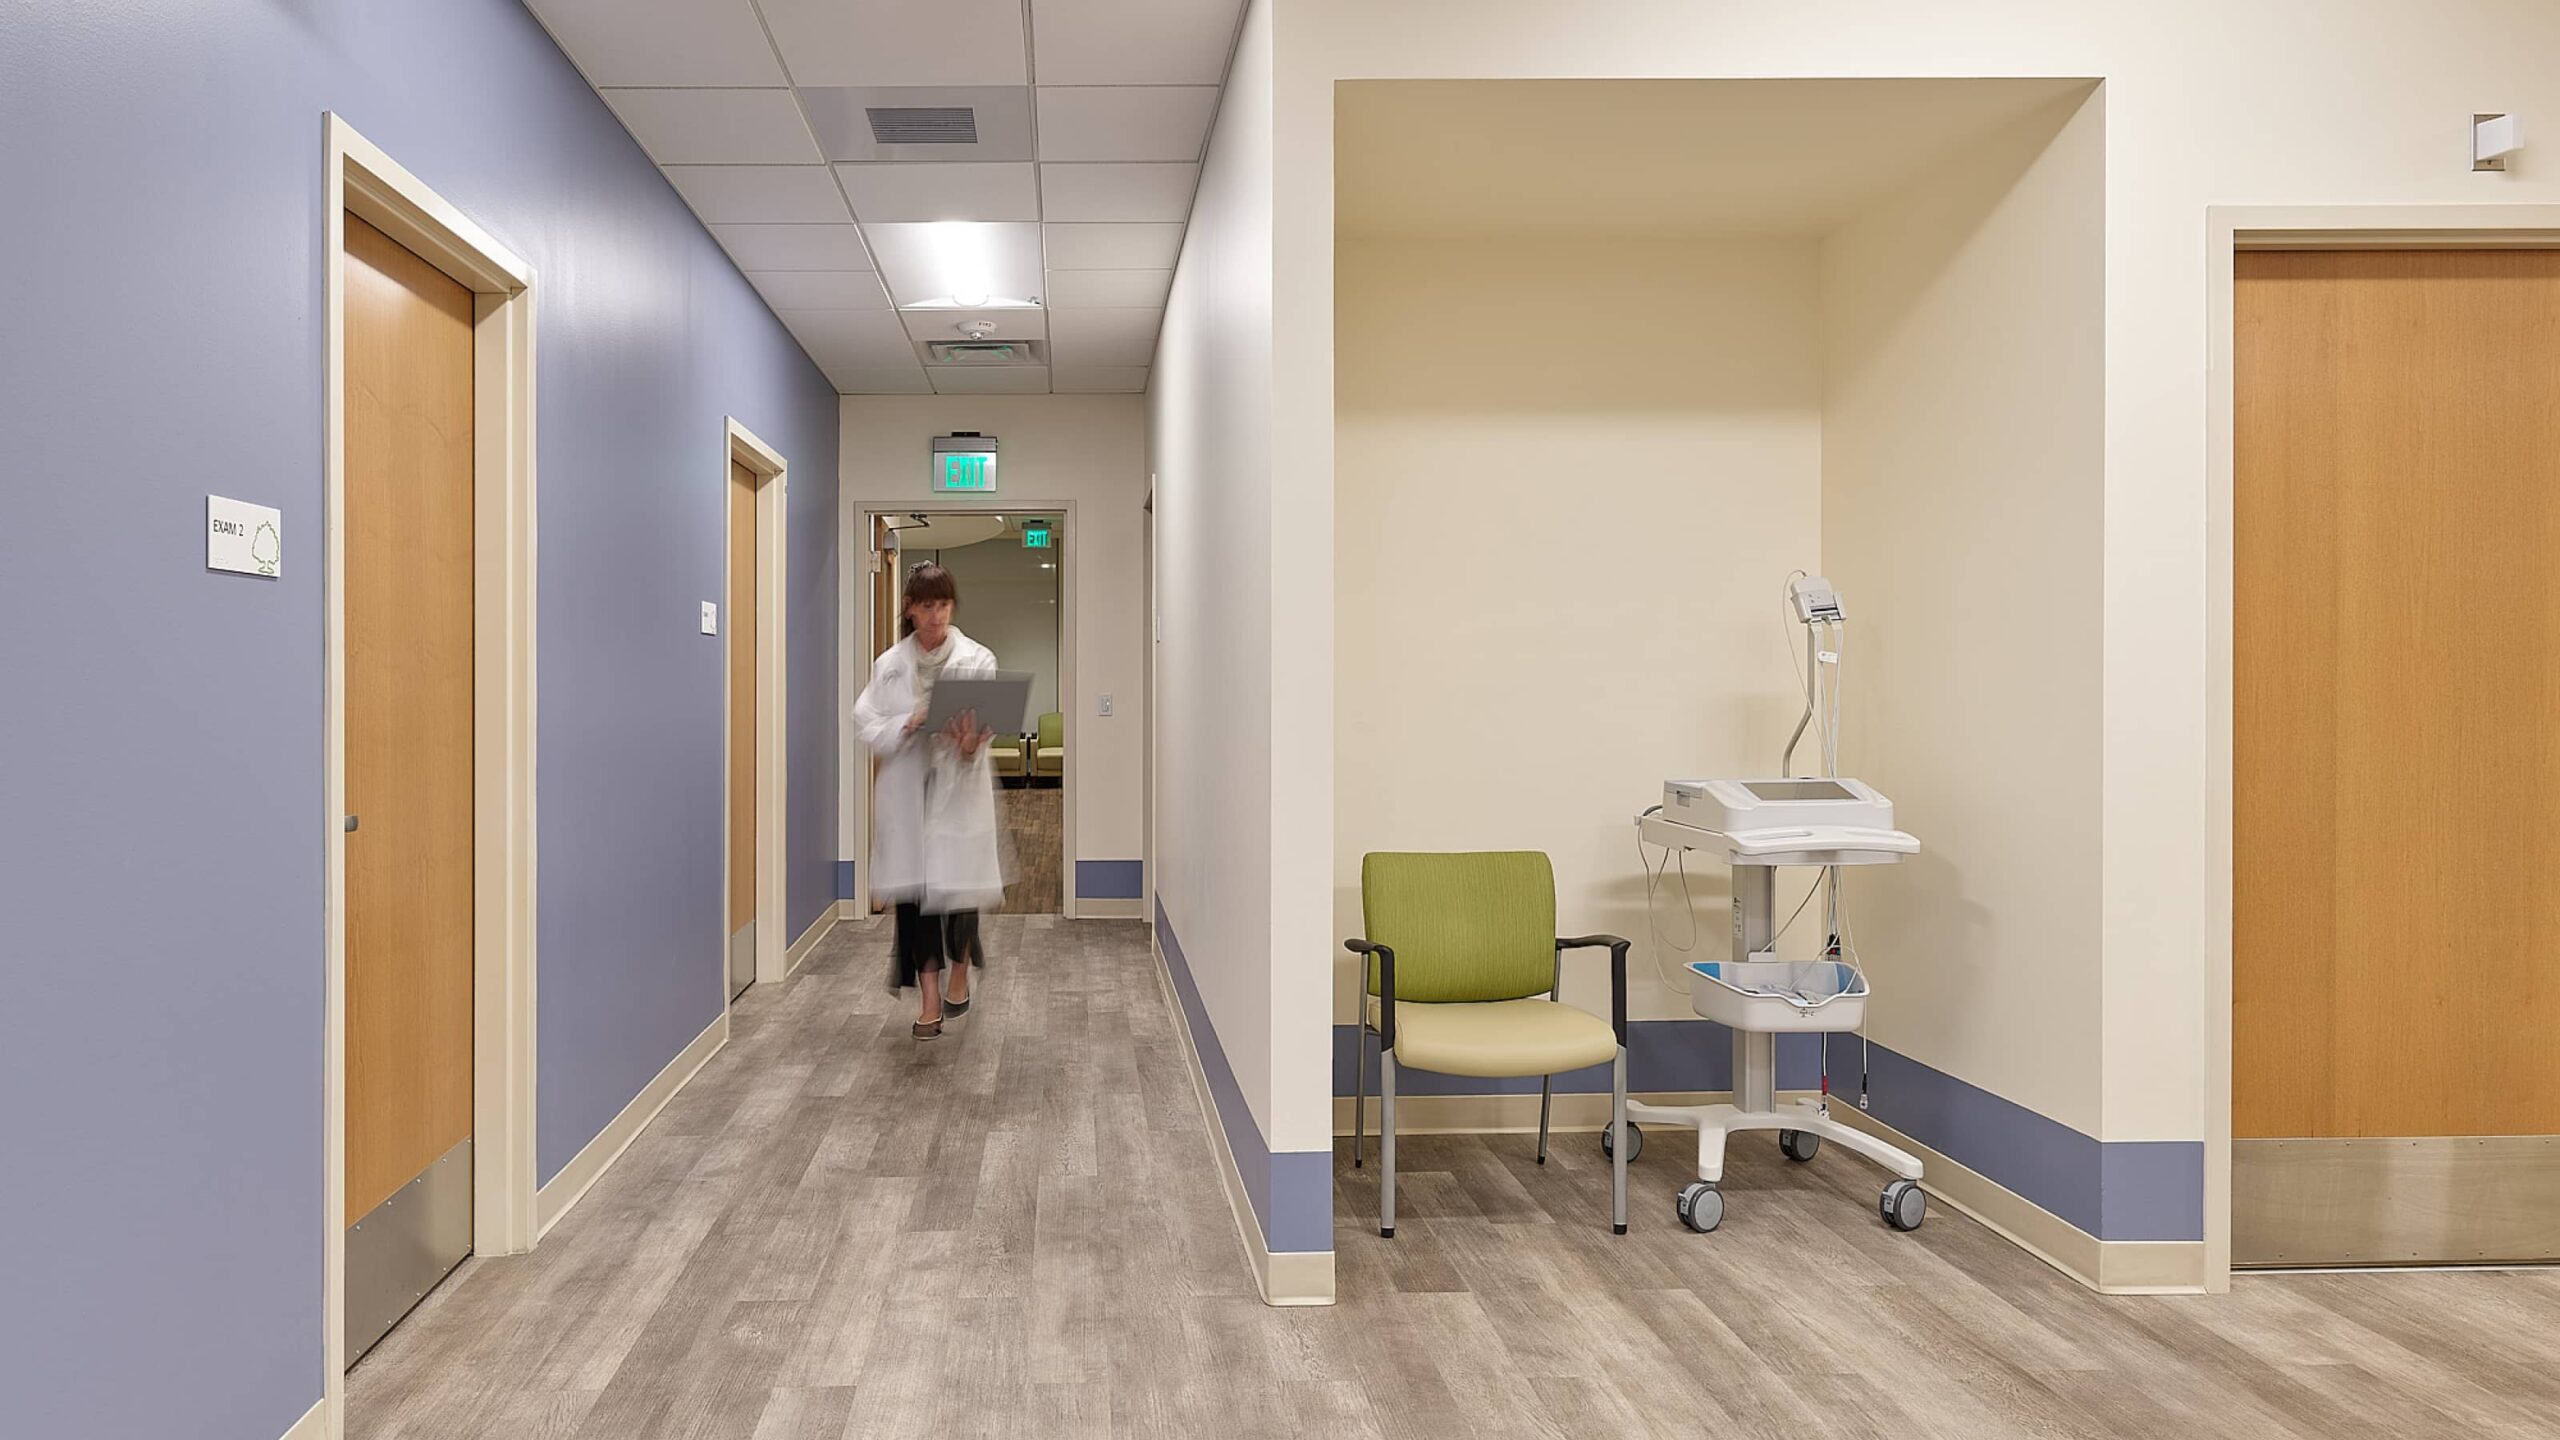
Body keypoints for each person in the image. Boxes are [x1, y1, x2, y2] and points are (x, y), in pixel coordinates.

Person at [851, 561, 1008, 1039]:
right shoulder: (889, 666)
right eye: (927, 606)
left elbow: (984, 726)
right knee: (916, 902)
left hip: (957, 792)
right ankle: (929, 1001)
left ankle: (960, 968)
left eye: (943, 605)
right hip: (908, 795)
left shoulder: (978, 659)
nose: (937, 615)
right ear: (910, 609)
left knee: (959, 895)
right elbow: (865, 722)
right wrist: (907, 724)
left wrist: (967, 742)